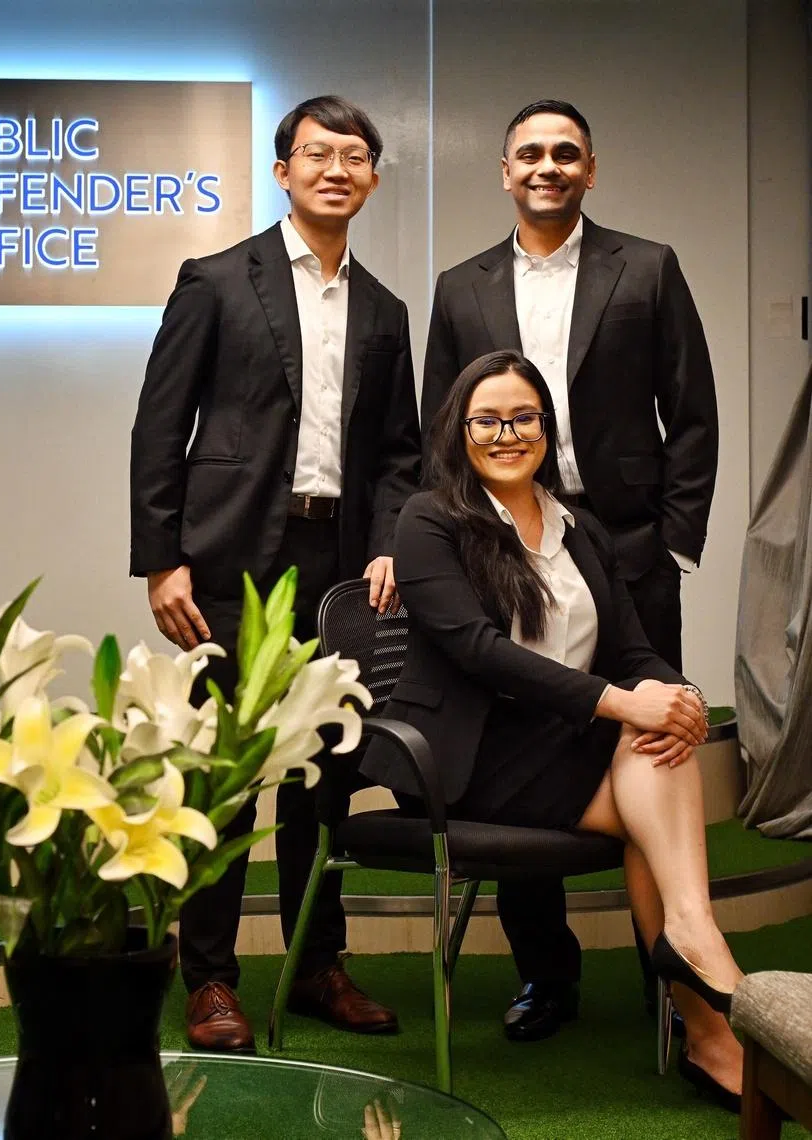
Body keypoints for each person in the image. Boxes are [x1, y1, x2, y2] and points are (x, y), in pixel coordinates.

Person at [363, 349, 743, 1110]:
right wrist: (623, 703)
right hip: (470, 758)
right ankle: (707, 1006)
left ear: (547, 427)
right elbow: (480, 652)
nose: (507, 434)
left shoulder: (582, 529)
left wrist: (680, 695)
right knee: (645, 751)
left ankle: (700, 984)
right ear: (460, 430)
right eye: (487, 420)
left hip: (566, 743)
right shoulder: (429, 520)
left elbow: (632, 650)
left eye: (524, 417)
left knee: (655, 749)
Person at [420, 99, 719, 1042]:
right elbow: (437, 423)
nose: (546, 167)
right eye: (529, 155)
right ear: (504, 172)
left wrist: (671, 539)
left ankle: (667, 993)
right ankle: (547, 977)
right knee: (532, 731)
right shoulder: (460, 287)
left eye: (565, 153)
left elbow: (694, 409)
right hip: (494, 542)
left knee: (656, 737)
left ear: (591, 168)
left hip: (618, 541)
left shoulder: (649, 267)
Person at [129, 94, 421, 1053]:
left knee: (325, 778)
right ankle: (210, 978)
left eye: (354, 156)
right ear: (283, 171)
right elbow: (159, 426)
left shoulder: (386, 311)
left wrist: (387, 542)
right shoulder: (215, 280)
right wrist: (160, 559)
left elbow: (398, 455)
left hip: (339, 565)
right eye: (316, 153)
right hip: (227, 563)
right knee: (225, 776)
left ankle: (315, 963)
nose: (336, 168)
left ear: (373, 177)